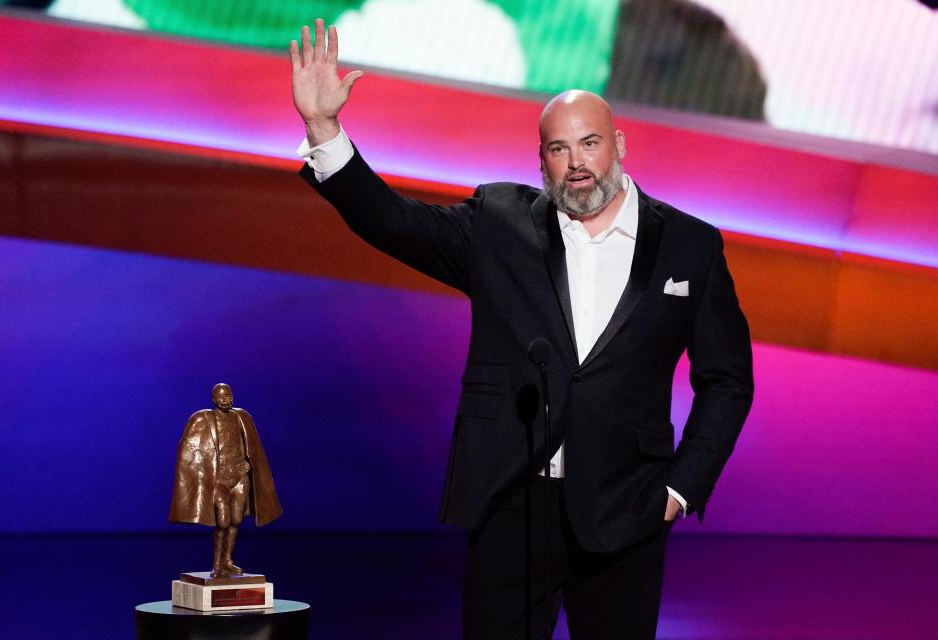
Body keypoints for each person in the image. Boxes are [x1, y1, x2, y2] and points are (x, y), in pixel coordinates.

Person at [290, 19, 753, 639]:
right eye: (559, 150)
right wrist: (325, 129)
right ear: (542, 159)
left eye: (589, 144)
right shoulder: (499, 224)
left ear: (619, 144)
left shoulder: (690, 245)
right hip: (512, 504)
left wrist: (681, 487)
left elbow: (727, 381)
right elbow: (393, 222)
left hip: (627, 504)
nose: (576, 163)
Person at [169, 383, 282, 578]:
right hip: (219, 479)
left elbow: (253, 448)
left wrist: (248, 464)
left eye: (228, 395)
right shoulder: (205, 419)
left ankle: (228, 560)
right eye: (221, 396)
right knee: (222, 521)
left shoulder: (242, 417)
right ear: (214, 399)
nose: (225, 399)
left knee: (236, 520)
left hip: (239, 477)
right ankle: (217, 564)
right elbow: (189, 448)